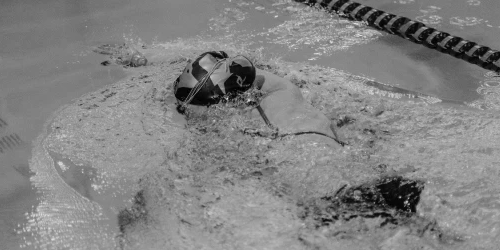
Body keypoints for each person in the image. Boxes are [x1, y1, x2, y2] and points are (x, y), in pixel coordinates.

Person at [174, 51, 423, 221]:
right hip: (362, 173)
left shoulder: (235, 128)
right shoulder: (280, 86)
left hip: (329, 198)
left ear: (226, 103)